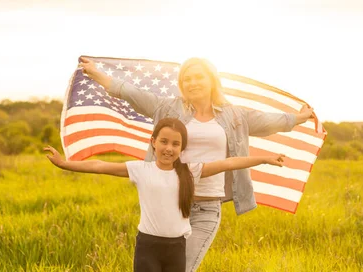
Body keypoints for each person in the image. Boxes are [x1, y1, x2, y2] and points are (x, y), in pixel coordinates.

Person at [79, 56, 314, 271]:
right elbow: (129, 92)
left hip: (206, 209)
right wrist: (96, 73)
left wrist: (299, 118)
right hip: (170, 206)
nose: (192, 83)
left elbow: (268, 121)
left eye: (198, 77)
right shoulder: (167, 107)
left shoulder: (234, 116)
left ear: (212, 80)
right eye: (186, 79)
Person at [44, 118, 285, 272]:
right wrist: (64, 164)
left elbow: (230, 162)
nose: (169, 148)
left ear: (182, 148)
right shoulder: (140, 169)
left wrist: (264, 158)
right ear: (153, 143)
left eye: (176, 144)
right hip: (148, 246)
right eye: (164, 142)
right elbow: (99, 166)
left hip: (176, 248)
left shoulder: (191, 171)